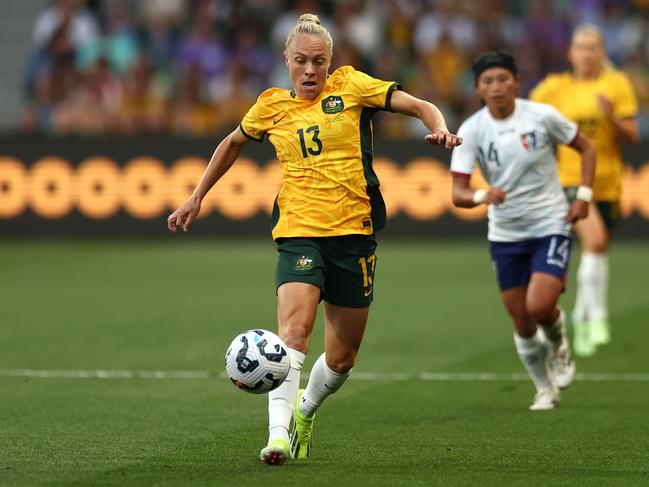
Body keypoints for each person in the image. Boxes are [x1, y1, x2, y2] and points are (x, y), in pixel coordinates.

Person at [167, 14, 461, 464]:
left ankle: (305, 412)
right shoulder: (270, 106)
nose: (310, 71)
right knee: (294, 334)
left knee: (342, 358)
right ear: (286, 60)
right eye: (301, 61)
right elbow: (231, 143)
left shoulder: (352, 86)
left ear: (330, 63)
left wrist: (438, 125)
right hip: (299, 233)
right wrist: (196, 196)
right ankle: (277, 436)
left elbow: (419, 104)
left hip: (354, 236)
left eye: (318, 62)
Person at [450, 52, 595, 410]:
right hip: (506, 234)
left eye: (502, 79)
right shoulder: (471, 130)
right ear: (478, 89)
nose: (496, 87)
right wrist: (484, 194)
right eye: (488, 82)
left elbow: (586, 148)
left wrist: (584, 197)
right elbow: (459, 194)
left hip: (550, 223)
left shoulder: (541, 116)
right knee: (521, 321)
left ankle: (560, 347)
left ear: (516, 81)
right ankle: (544, 389)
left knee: (540, 306)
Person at [530, 25, 639, 357]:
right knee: (594, 241)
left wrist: (611, 117)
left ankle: (581, 311)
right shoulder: (554, 88)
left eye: (593, 47)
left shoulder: (616, 85)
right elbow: (527, 121)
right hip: (568, 180)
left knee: (599, 249)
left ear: (602, 52)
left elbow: (633, 135)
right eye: (581, 47)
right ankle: (597, 320)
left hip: (607, 183)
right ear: (570, 53)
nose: (587, 53)